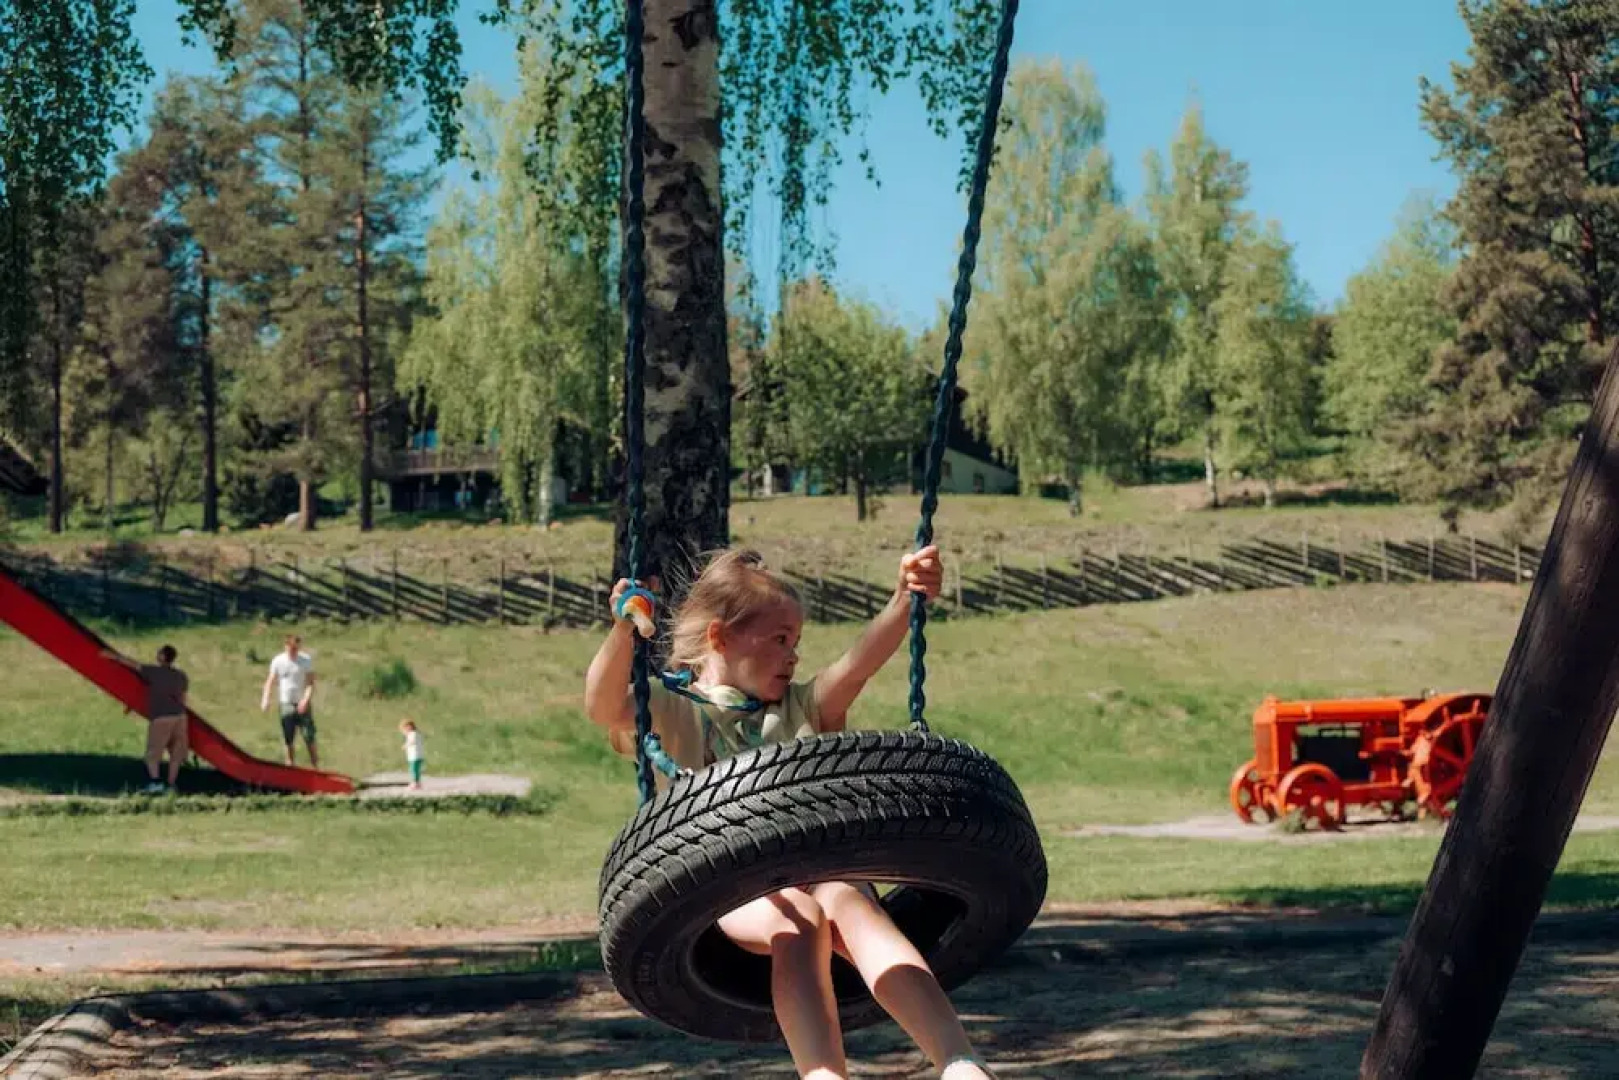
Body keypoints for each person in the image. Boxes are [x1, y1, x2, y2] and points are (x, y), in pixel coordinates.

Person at [583, 546, 994, 1080]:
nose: (793, 656)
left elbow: (860, 661)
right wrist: (622, 634)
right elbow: (602, 705)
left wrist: (904, 599)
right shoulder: (672, 708)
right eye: (779, 640)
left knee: (852, 903)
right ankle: (823, 1074)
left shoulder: (799, 710)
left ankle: (959, 1061)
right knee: (800, 921)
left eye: (796, 642)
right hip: (729, 889)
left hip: (820, 874)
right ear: (719, 637)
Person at [104, 644, 189, 795]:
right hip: (180, 717)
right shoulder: (181, 676)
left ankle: (155, 782)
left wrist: (114, 656)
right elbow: (183, 699)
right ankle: (171, 785)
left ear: (163, 657)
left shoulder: (154, 672)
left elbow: (132, 664)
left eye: (159, 653)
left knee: (153, 753)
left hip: (161, 717)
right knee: (176, 752)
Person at [260, 634, 318, 768]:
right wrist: (265, 699)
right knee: (288, 737)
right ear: (286, 646)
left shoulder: (305, 660)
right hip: (286, 703)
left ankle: (315, 765)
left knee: (309, 735)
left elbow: (310, 683)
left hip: (302, 702)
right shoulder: (278, 661)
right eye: (291, 648)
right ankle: (290, 765)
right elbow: (270, 681)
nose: (293, 652)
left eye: (296, 649)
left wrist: (305, 700)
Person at [400, 718, 424, 790]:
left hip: (415, 756)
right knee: (415, 770)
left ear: (409, 726)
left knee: (414, 770)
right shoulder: (415, 733)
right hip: (415, 756)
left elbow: (411, 742)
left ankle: (415, 783)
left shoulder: (413, 734)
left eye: (405, 728)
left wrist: (405, 746)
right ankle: (417, 783)